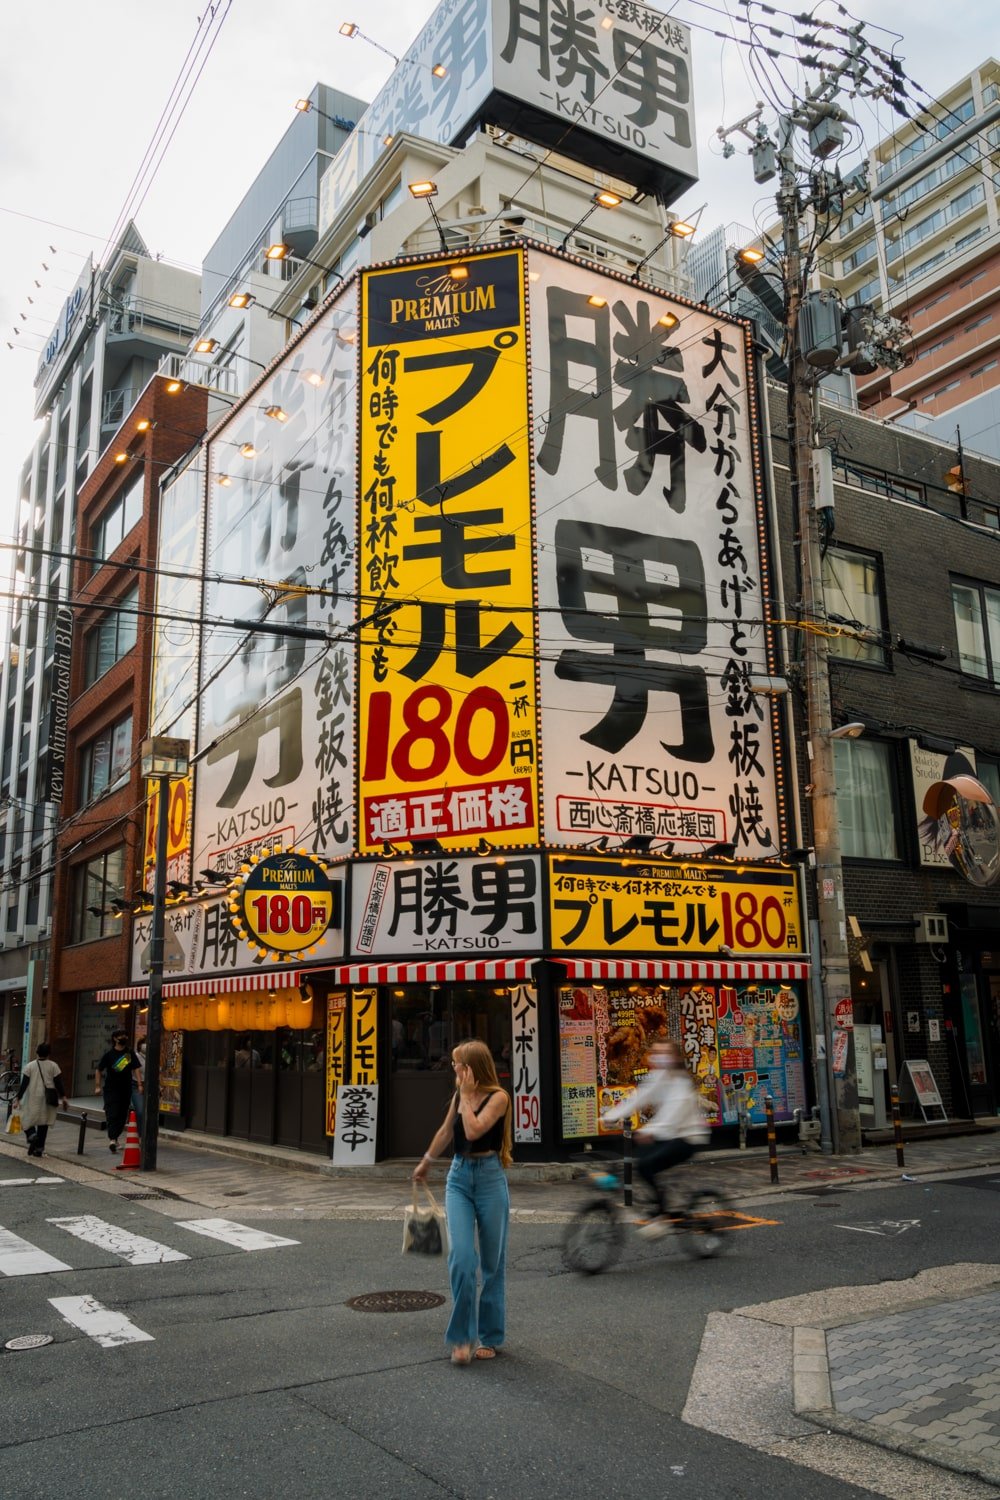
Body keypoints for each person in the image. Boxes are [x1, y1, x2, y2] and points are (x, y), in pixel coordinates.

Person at [413, 1039, 512, 1365]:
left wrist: (468, 1096)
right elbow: (447, 1132)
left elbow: (474, 1131)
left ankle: (490, 1336)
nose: (452, 1068)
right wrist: (427, 1160)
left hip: (489, 1180)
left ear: (471, 1068)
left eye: (458, 1063)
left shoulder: (499, 1098)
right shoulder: (459, 1095)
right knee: (461, 1258)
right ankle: (461, 1337)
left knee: (492, 1265)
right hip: (458, 1179)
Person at [600, 1039, 709, 1236]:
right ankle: (659, 1206)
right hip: (666, 1134)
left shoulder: (681, 1083)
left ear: (675, 1057)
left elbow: (671, 1114)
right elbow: (639, 1098)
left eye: (664, 1053)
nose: (658, 1057)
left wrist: (650, 1130)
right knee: (638, 1159)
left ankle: (662, 1217)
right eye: (656, 1052)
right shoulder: (658, 1076)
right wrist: (610, 1116)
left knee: (646, 1165)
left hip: (687, 1137)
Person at [17, 1042, 68, 1158]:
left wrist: (18, 1098)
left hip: (33, 1097)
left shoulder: (30, 1066)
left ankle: (31, 1135)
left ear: (37, 1052)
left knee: (26, 1118)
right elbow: (59, 1083)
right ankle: (39, 1149)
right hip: (48, 1098)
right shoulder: (53, 1066)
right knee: (43, 1123)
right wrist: (63, 1097)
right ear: (49, 1053)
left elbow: (24, 1084)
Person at [95, 1030, 142, 1153]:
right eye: (121, 1036)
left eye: (125, 1035)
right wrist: (97, 1086)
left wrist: (140, 1084)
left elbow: (136, 1068)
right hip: (111, 1089)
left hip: (126, 1088)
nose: (124, 1037)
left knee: (122, 1115)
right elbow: (99, 1070)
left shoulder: (129, 1053)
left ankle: (115, 1138)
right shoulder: (109, 1055)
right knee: (112, 1113)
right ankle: (112, 1139)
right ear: (115, 1039)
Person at [132, 1035, 147, 1132]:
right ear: (140, 1045)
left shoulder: (153, 1057)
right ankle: (141, 1135)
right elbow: (118, 1066)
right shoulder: (134, 1056)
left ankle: (147, 1133)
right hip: (136, 1085)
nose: (146, 1045)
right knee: (141, 1110)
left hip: (150, 1086)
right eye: (144, 1043)